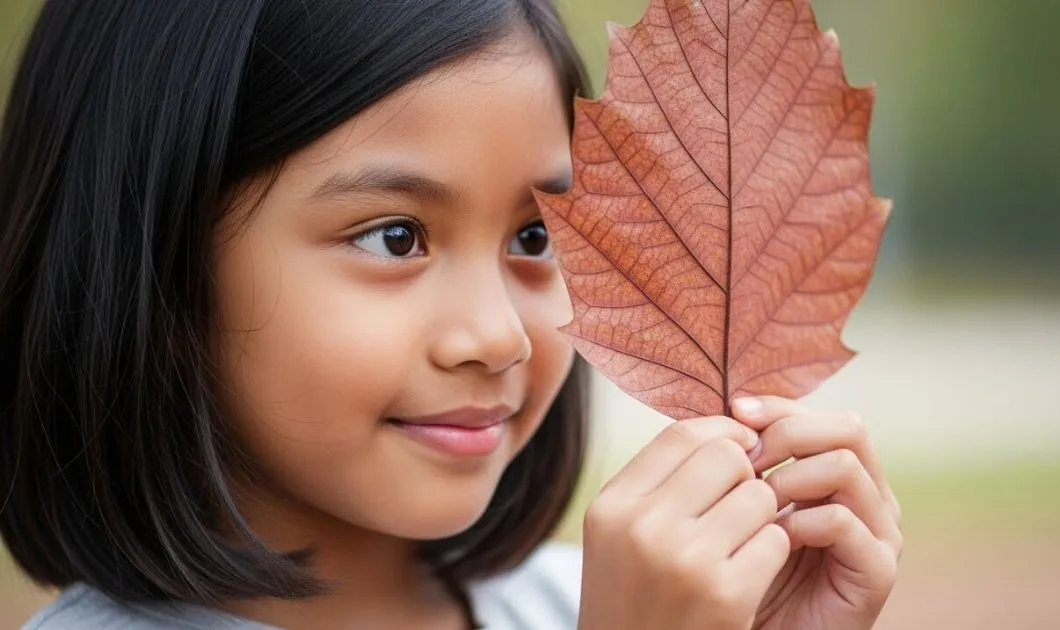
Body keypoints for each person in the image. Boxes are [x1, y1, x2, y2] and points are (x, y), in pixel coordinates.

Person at [0, 1, 903, 628]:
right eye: (396, 237)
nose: (499, 336)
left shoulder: (597, 604)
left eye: (538, 238)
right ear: (152, 256)